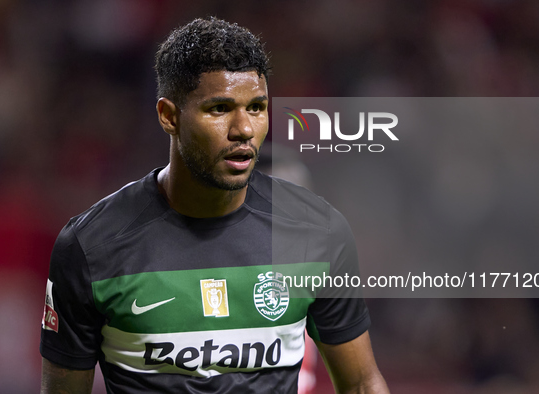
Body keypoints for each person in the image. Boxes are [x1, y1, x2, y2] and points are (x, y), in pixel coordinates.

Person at [40, 17, 390, 394]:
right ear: (169, 116)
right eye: (220, 108)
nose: (243, 129)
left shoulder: (317, 233)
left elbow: (360, 383)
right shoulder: (91, 247)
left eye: (256, 107)